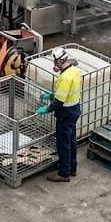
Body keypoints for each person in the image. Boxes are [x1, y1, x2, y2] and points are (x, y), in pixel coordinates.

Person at [36, 48, 83, 182]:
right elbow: (67, 92)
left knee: (63, 143)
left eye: (56, 62)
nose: (55, 65)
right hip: (74, 110)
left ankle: (63, 173)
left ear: (61, 61)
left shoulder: (64, 78)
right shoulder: (74, 71)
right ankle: (72, 168)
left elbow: (59, 102)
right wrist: (51, 95)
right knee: (72, 140)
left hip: (65, 114)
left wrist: (47, 109)